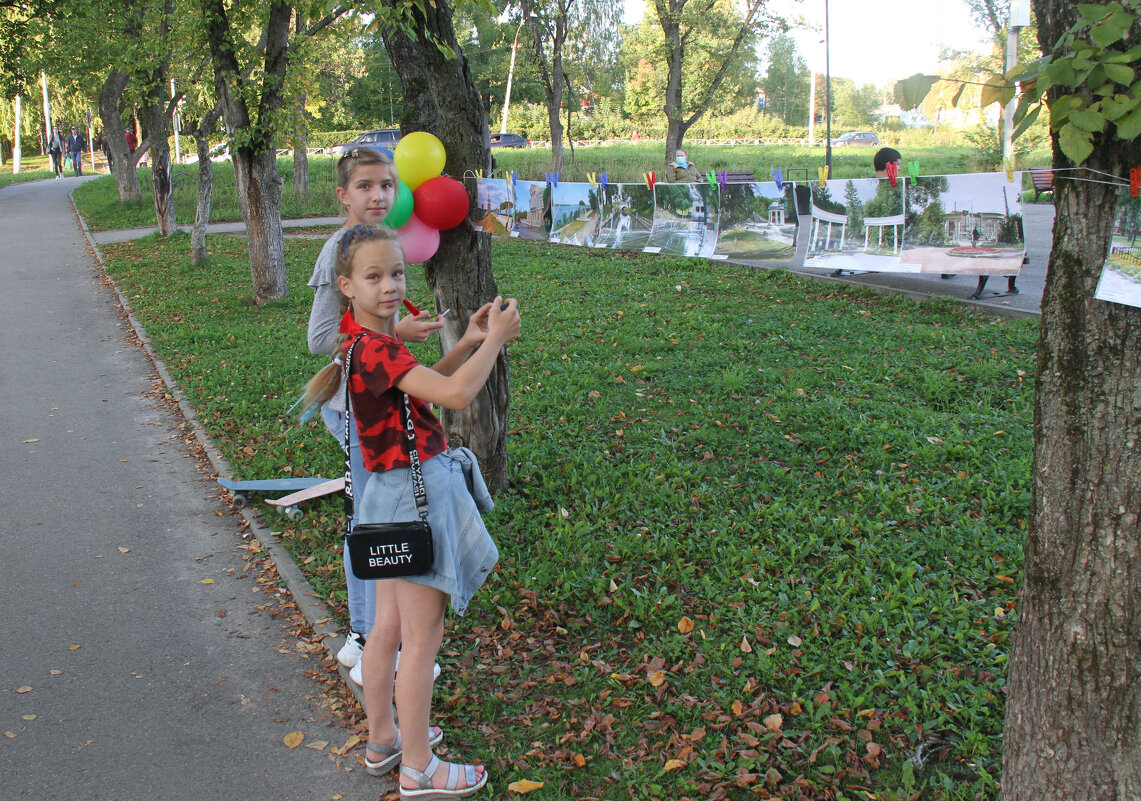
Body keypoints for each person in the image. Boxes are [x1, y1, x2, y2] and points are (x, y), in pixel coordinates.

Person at [301, 222, 519, 797]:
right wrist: (495, 340)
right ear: (345, 286)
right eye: (374, 277)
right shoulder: (375, 347)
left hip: (387, 495)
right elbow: (455, 396)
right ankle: (420, 767)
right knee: (422, 641)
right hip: (412, 496)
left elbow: (421, 387)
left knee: (388, 633)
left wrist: (467, 342)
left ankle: (384, 741)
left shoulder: (367, 346)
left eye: (397, 273)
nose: (391, 286)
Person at [306, 146, 443, 685]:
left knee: (375, 517)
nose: (378, 196)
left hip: (378, 406)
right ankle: (367, 637)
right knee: (374, 522)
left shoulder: (376, 244)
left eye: (386, 184)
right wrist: (394, 335)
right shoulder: (340, 249)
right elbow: (321, 339)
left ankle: (366, 635)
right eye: (364, 186)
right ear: (343, 195)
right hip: (356, 411)